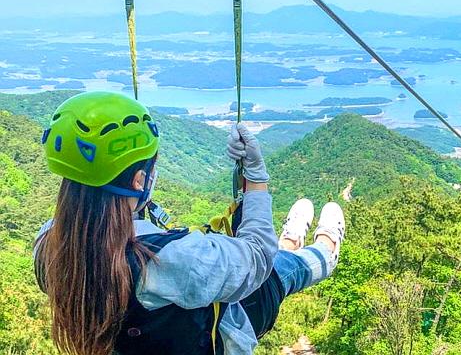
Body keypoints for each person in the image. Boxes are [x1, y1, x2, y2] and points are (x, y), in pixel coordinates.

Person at [33, 91, 345, 355]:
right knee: (288, 268)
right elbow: (258, 258)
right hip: (234, 315)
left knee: (283, 256)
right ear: (140, 180)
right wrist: (256, 179)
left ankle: (290, 240)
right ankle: (326, 245)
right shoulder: (172, 260)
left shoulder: (51, 245)